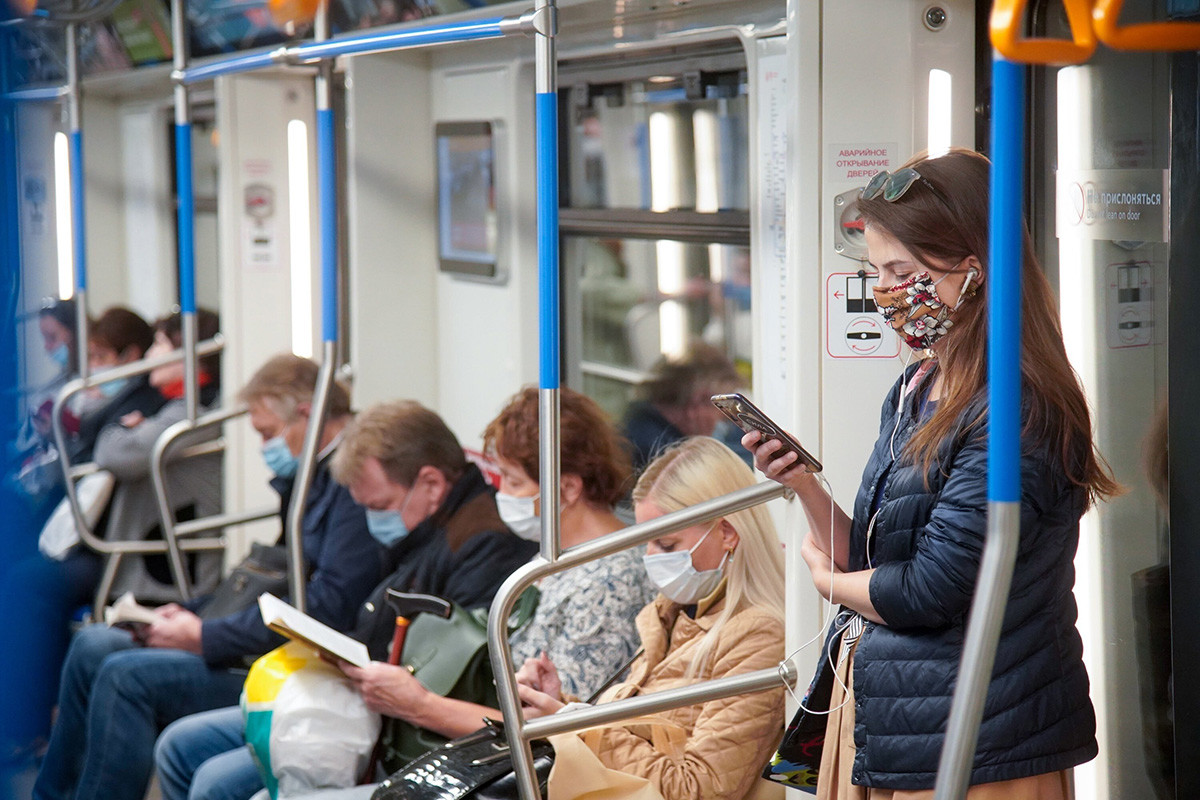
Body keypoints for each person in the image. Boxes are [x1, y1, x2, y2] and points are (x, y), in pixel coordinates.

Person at [745, 149, 1117, 798]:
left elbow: (929, 590)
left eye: (901, 271)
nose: (885, 292)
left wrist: (830, 582)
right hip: (909, 725)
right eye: (877, 272)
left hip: (989, 737)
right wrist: (804, 483)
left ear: (972, 272)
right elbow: (876, 553)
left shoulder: (1017, 409)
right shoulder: (920, 386)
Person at [31, 354, 383, 800]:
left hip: (286, 661)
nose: (264, 449)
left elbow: (326, 607)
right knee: (92, 643)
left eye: (268, 434)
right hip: (256, 636)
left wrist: (205, 635)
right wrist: (191, 614)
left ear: (306, 415)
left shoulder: (349, 490)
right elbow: (273, 577)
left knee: (125, 676)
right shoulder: (309, 482)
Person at [153, 398, 542, 800]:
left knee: (216, 783)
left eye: (381, 507)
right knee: (180, 745)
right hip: (364, 691)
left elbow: (456, 671)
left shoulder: (483, 544)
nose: (376, 522)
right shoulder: (424, 529)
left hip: (400, 725)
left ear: (431, 484)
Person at [0, 310, 223, 757]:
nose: (155, 354)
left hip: (147, 555)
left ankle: (31, 729)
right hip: (129, 539)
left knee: (31, 588)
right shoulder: (166, 403)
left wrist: (123, 430)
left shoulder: (193, 409)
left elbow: (114, 450)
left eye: (161, 345)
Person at [518, 436, 786, 800]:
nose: (650, 558)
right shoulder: (671, 617)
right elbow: (640, 734)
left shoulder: (759, 635)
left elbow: (697, 788)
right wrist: (561, 704)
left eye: (666, 544)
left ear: (727, 533)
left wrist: (574, 725)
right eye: (646, 541)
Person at [621, 341, 743, 472]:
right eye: (720, 406)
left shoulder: (645, 427)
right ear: (697, 401)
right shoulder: (658, 449)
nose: (724, 418)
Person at [70, 306, 163, 464]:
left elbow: (94, 450)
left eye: (101, 356)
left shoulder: (143, 398)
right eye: (91, 357)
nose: (94, 365)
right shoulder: (120, 394)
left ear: (131, 355)